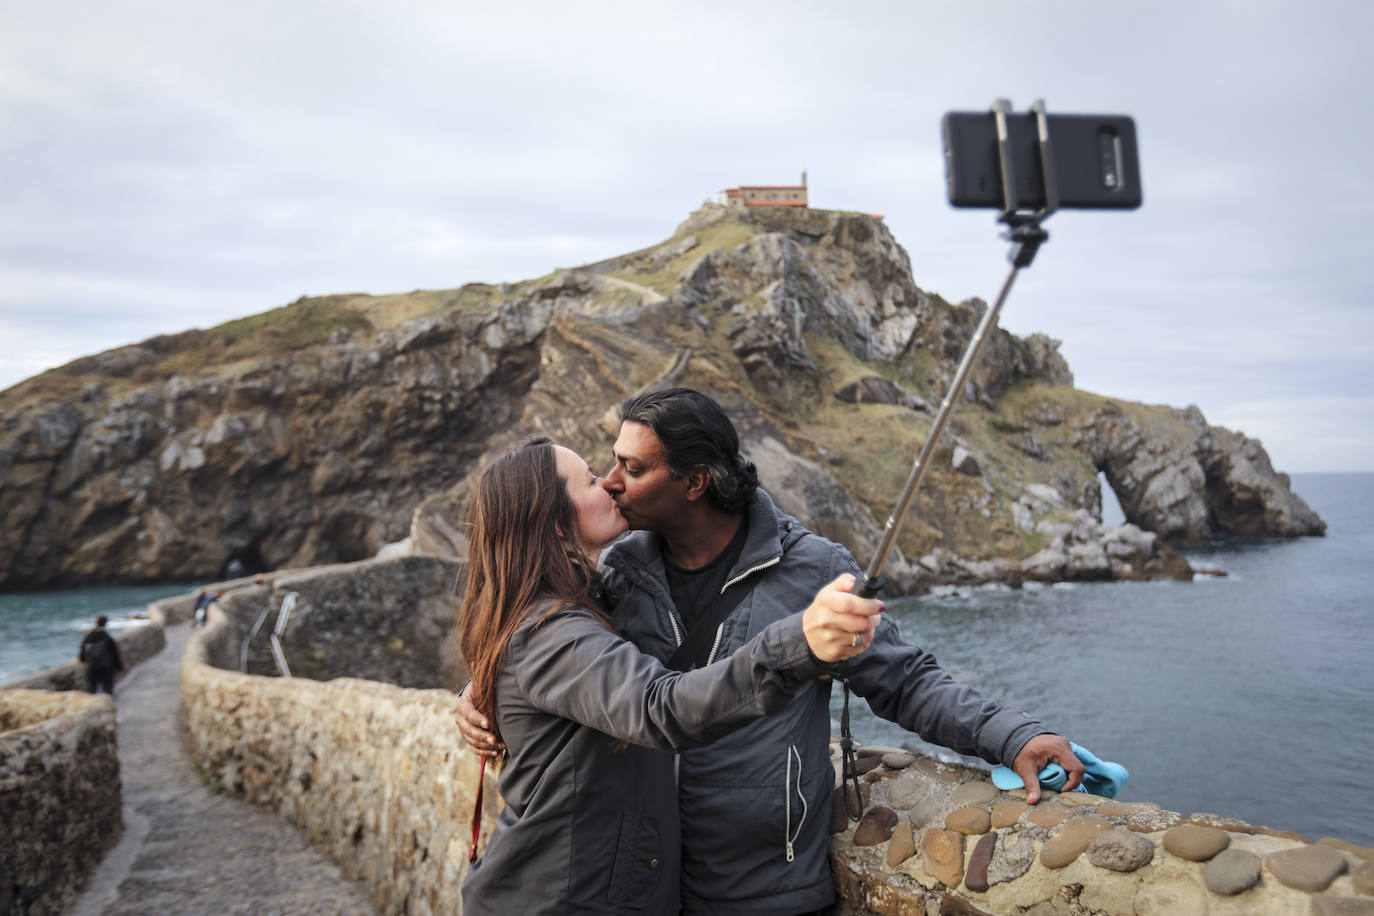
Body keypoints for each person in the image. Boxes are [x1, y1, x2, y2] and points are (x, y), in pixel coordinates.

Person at [457, 388, 1087, 916]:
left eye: (633, 468)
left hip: (764, 883)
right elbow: (554, 651)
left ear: (695, 481)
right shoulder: (618, 569)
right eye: (606, 468)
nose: (615, 484)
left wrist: (1012, 735)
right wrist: (480, 695)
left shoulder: (813, 569)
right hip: (646, 880)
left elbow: (906, 680)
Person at [454, 437, 883, 916]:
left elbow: (558, 675)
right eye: (591, 480)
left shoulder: (581, 603)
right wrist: (798, 639)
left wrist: (476, 690)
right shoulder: (548, 630)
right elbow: (658, 707)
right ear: (556, 523)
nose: (609, 484)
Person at [79, 616, 124, 695]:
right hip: (106, 668)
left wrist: (86, 661)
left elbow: (82, 653)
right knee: (107, 689)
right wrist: (119, 667)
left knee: (92, 690)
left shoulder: (89, 636)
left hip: (92, 667)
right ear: (105, 624)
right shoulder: (106, 636)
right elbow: (114, 653)